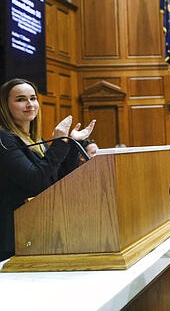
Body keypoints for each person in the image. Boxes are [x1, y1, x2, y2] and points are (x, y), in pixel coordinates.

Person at [0, 78, 95, 261]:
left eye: (33, 98)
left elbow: (56, 180)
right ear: (5, 105)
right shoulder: (4, 140)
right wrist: (60, 143)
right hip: (14, 238)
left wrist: (74, 144)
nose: (29, 104)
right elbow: (35, 180)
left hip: (40, 231)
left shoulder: (34, 139)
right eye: (20, 99)